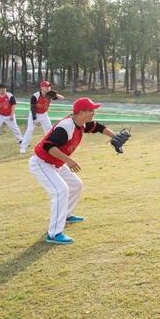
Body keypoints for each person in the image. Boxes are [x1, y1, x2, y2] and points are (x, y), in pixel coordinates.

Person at [29, 97, 123, 244]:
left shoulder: (81, 123)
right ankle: (53, 233)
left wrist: (114, 136)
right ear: (81, 112)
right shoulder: (65, 127)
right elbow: (48, 146)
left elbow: (98, 127)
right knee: (60, 191)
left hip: (56, 163)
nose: (93, 113)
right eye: (90, 110)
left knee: (76, 185)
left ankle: (66, 215)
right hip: (42, 163)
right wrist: (68, 160)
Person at [19, 81, 65, 154]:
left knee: (50, 131)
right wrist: (34, 118)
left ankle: (51, 146)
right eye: (46, 86)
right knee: (30, 130)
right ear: (41, 87)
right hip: (34, 113)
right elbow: (33, 107)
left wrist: (55, 94)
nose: (48, 88)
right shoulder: (35, 96)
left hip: (44, 114)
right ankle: (23, 147)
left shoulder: (50, 95)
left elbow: (62, 98)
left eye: (49, 86)